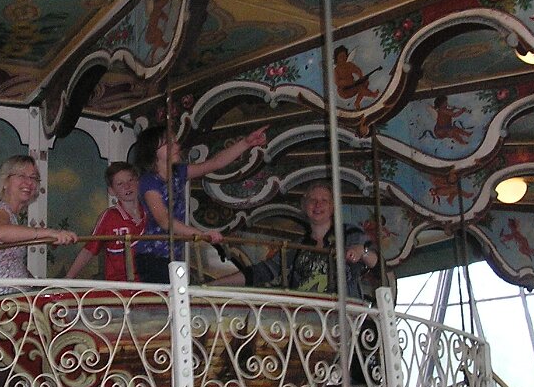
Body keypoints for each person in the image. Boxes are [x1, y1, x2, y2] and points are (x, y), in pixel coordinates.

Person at [134, 123, 267, 284]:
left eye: (175, 142)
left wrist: (246, 143)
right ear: (153, 152)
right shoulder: (149, 182)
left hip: (172, 254)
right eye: (169, 143)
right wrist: (201, 234)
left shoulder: (178, 173)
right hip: (153, 256)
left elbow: (214, 163)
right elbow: (164, 220)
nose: (176, 146)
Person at [215, 180, 378, 299]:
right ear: (304, 206)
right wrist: (215, 285)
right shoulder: (297, 247)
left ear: (332, 207)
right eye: (312, 200)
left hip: (342, 314)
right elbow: (262, 271)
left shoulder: (349, 233)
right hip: (306, 317)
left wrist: (362, 251)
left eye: (324, 201)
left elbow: (377, 264)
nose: (318, 205)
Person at [0, 156, 76, 297]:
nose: (29, 182)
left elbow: (12, 264)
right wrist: (50, 233)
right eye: (21, 176)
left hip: (13, 297)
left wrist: (39, 286)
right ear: (5, 182)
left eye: (33, 177)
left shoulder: (12, 217)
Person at [66, 162, 147, 282]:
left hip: (150, 282)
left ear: (138, 182)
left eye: (130, 180)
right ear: (111, 191)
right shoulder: (109, 217)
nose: (127, 186)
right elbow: (89, 249)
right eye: (120, 184)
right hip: (120, 286)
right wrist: (68, 279)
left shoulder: (151, 212)